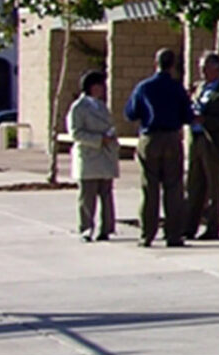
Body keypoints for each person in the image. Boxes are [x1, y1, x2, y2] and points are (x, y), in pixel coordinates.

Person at [123, 48, 192, 248]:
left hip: (149, 137)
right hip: (171, 137)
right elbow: (187, 116)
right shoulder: (177, 88)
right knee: (174, 187)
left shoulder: (143, 87)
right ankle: (173, 235)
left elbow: (131, 113)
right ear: (172, 65)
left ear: (156, 63)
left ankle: (147, 234)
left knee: (149, 188)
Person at [184, 52, 219, 241]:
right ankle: (189, 226)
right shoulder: (197, 89)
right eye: (200, 67)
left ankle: (212, 227)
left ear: (217, 69)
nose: (202, 71)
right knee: (193, 185)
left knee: (214, 188)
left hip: (214, 143)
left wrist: (207, 120)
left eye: (206, 67)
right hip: (196, 140)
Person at [67, 70, 119, 241]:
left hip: (105, 156)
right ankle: (86, 228)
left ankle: (106, 229)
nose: (102, 89)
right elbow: (76, 133)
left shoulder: (102, 106)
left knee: (106, 194)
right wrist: (98, 139)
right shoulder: (78, 108)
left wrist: (110, 137)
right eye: (99, 85)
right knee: (87, 196)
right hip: (89, 156)